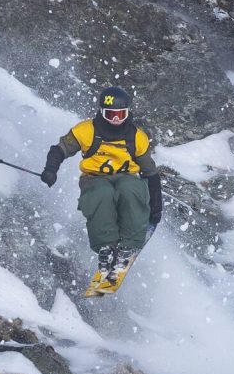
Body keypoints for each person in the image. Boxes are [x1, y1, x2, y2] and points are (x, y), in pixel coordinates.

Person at [41, 84, 163, 282]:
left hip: (127, 177)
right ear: (101, 112)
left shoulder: (136, 137)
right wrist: (50, 170)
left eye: (121, 115)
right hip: (95, 178)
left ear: (127, 113)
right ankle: (105, 246)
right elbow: (60, 149)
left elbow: (150, 173)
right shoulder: (86, 130)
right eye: (110, 115)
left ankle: (128, 246)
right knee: (101, 194)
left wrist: (156, 207)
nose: (116, 120)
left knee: (130, 189)